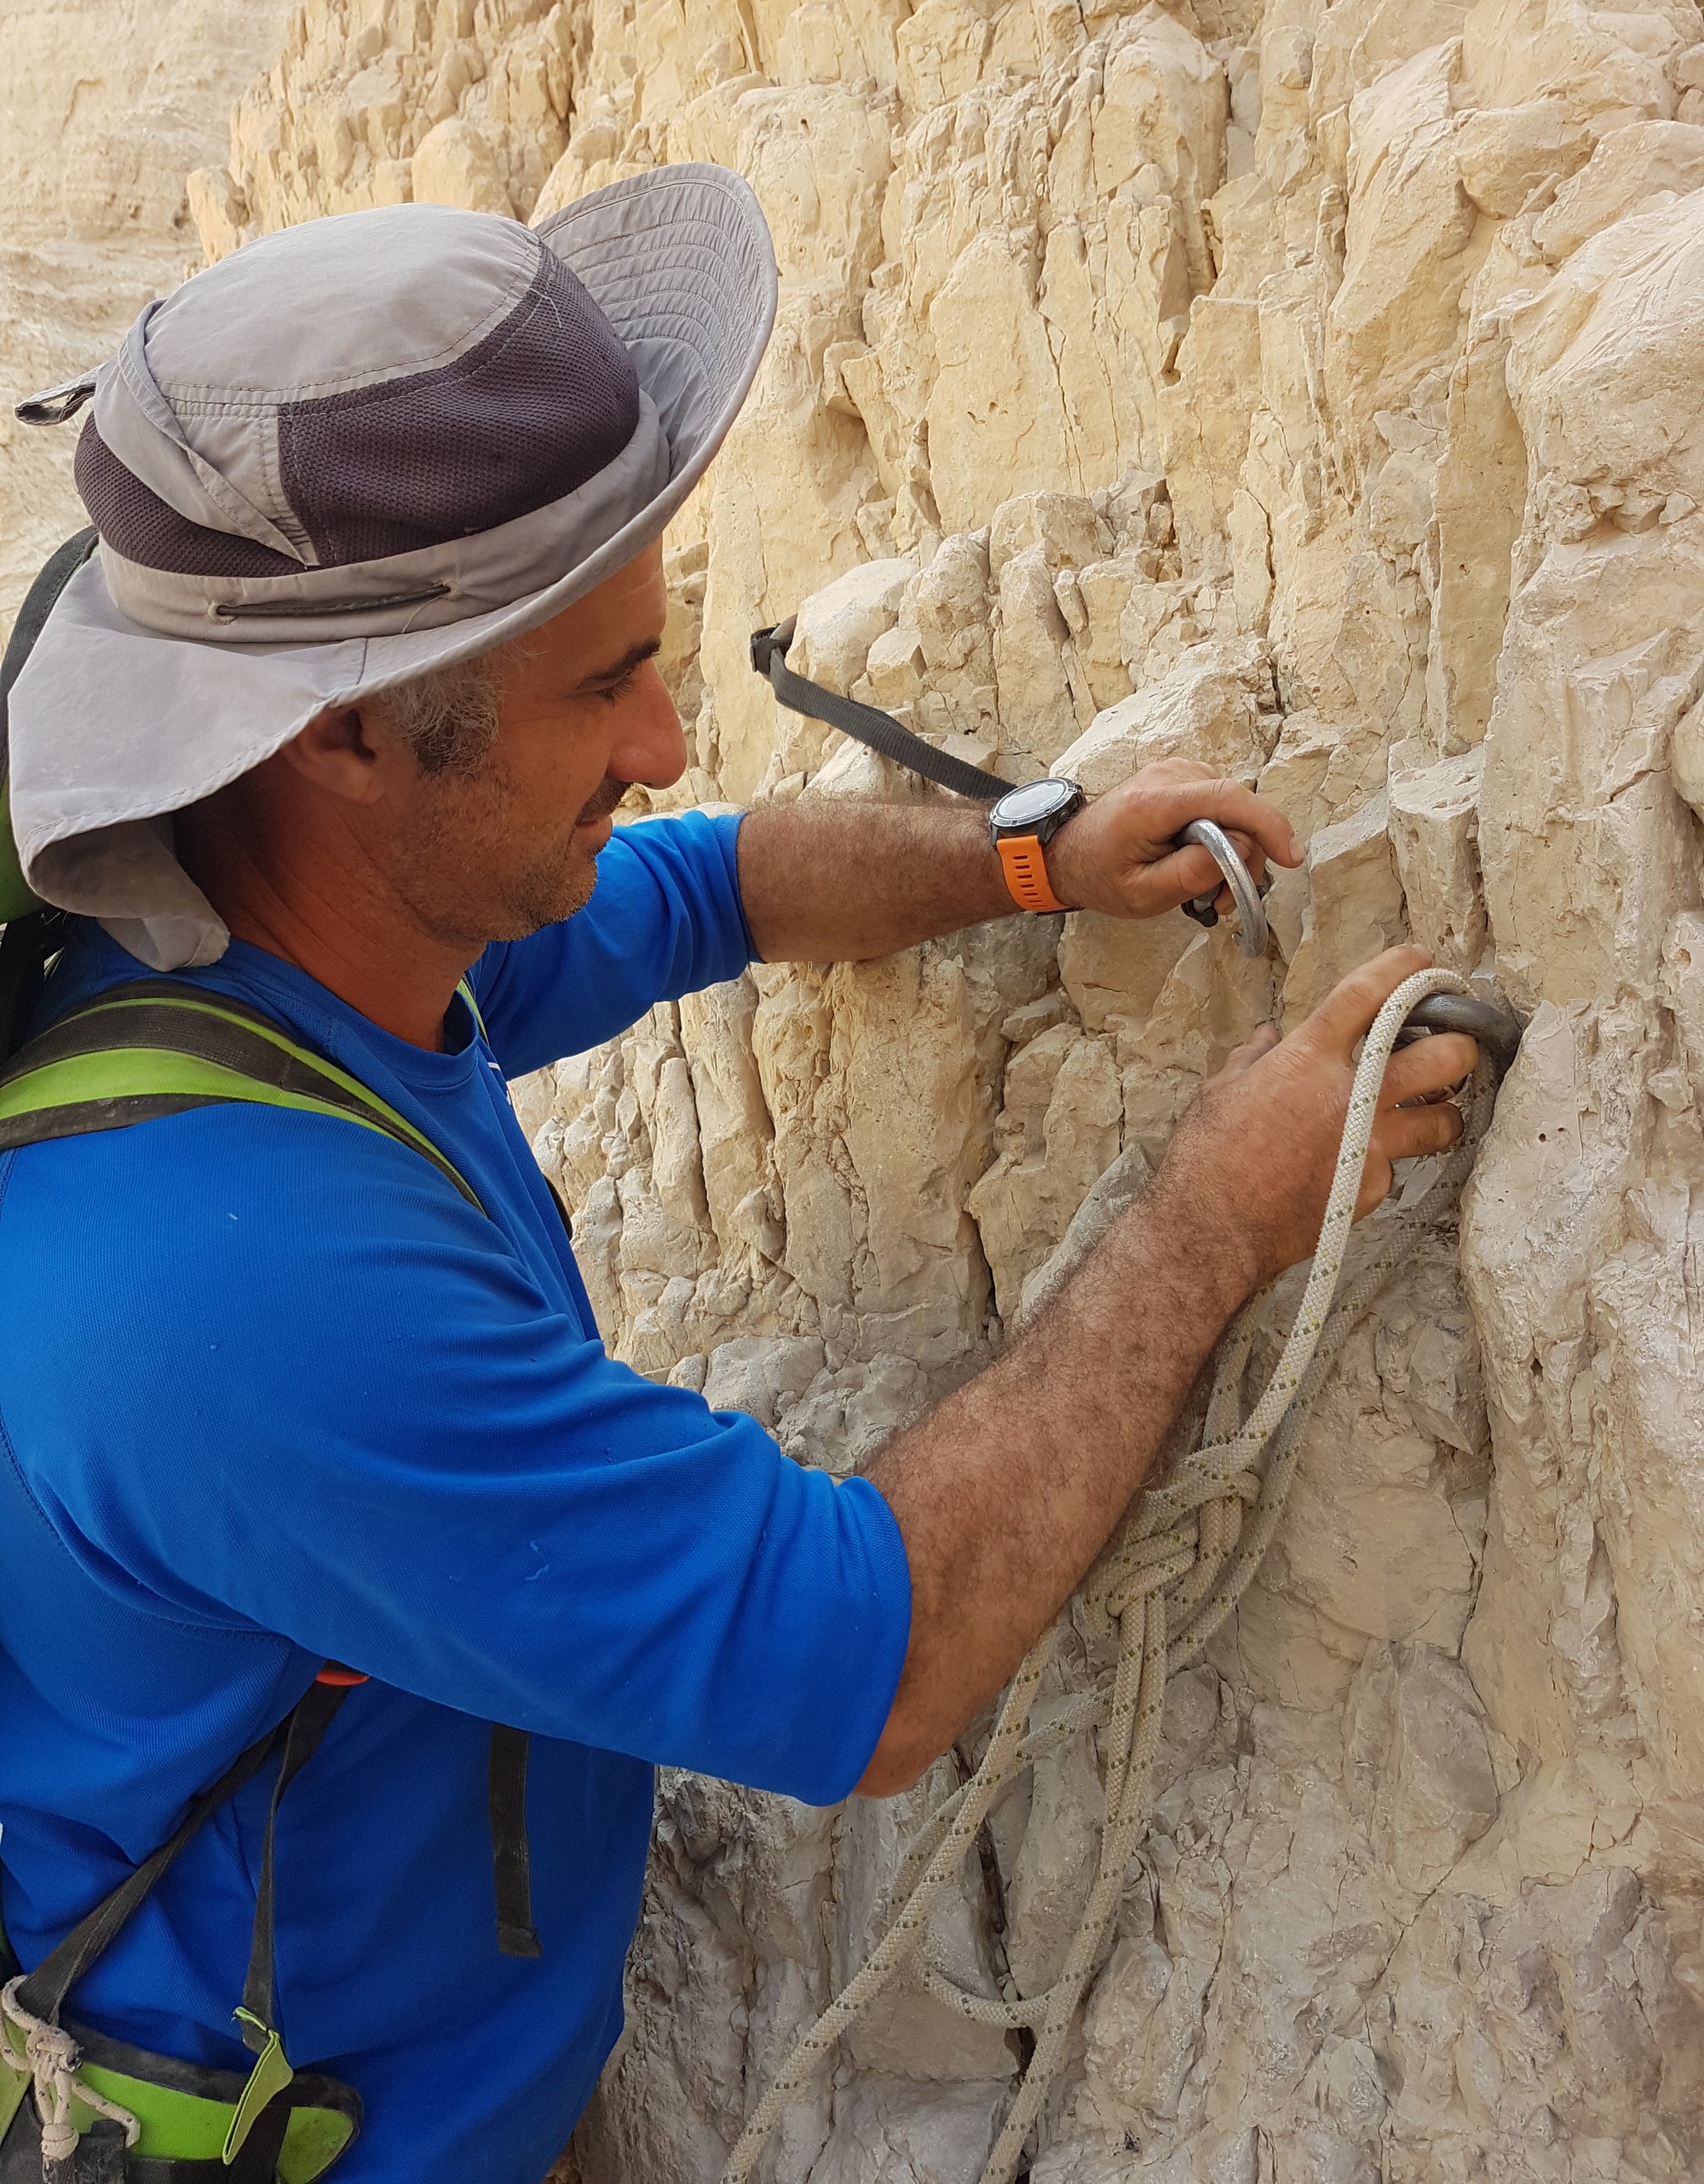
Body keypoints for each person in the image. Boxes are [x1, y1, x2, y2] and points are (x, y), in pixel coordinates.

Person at [0, 167, 1476, 2182]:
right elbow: (869, 1654)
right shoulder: (229, 1291)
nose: (672, 734)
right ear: (341, 732)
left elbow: (704, 888)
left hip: (437, 2047)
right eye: (602, 683)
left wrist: (1024, 855)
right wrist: (1220, 1198)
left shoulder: (290, 907)